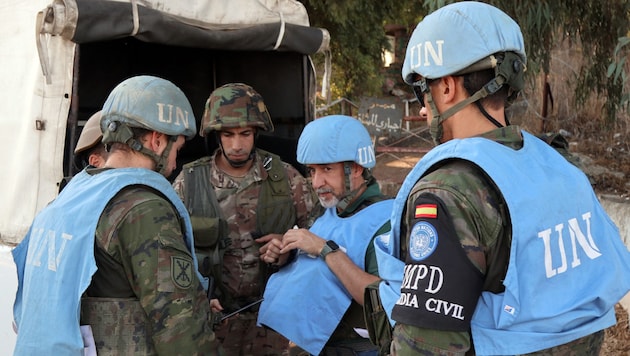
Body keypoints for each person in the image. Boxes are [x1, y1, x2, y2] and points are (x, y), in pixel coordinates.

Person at [371, 2, 630, 355]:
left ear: (446, 87)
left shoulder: (449, 191)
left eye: (423, 91)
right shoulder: (558, 167)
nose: (422, 107)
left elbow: (425, 346)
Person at [12, 75, 224, 355]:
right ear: (158, 141)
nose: (175, 163)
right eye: (178, 149)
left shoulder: (66, 200)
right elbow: (181, 332)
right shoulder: (143, 209)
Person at [172, 82, 316, 355]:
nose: (237, 145)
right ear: (215, 135)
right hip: (212, 322)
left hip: (274, 321)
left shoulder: (286, 178)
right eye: (228, 135)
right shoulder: (189, 183)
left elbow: (321, 243)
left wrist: (289, 247)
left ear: (257, 133)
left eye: (245, 133)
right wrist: (196, 294)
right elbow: (170, 254)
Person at [257, 115, 394, 356]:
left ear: (357, 167)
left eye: (327, 169)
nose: (317, 182)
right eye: (312, 170)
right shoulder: (331, 210)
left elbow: (384, 299)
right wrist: (285, 255)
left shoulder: (386, 220)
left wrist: (325, 249)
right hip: (319, 346)